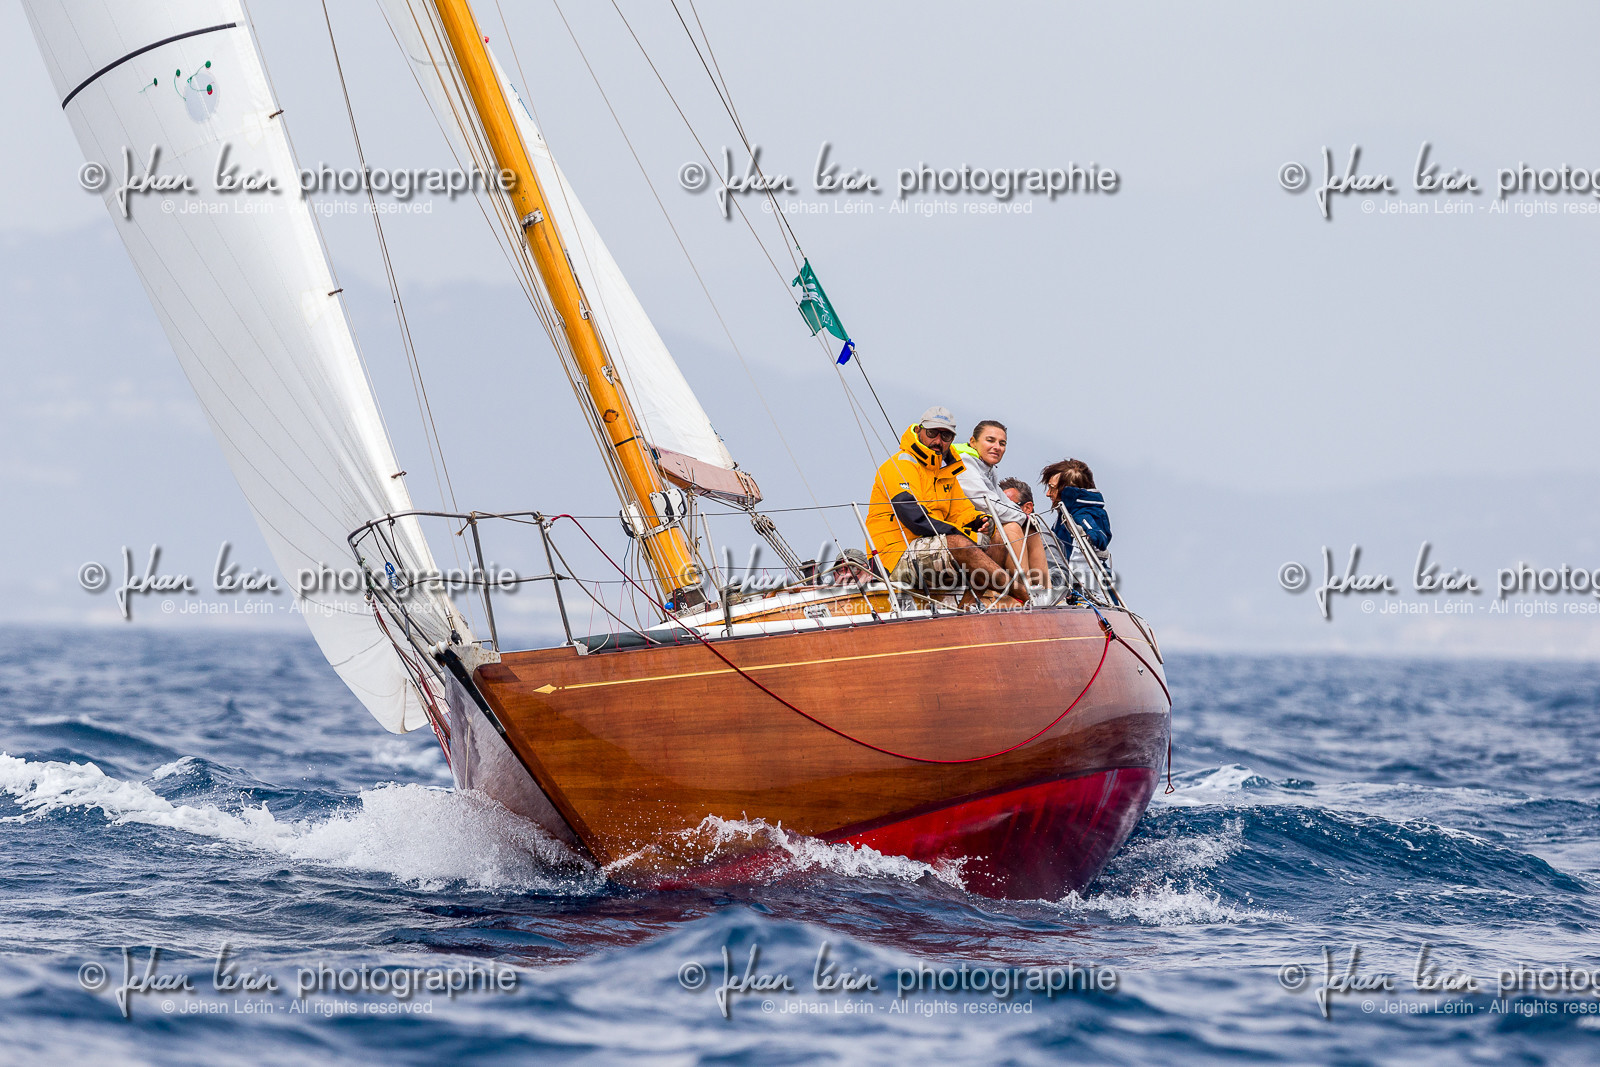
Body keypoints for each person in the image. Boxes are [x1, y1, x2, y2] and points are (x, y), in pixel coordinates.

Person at [866, 406, 1027, 604]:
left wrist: (980, 521)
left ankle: (968, 608)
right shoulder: (899, 465)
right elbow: (915, 518)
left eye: (946, 436)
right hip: (893, 556)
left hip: (930, 548)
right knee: (958, 543)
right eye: (932, 433)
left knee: (997, 537)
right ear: (919, 431)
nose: (938, 441)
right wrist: (960, 535)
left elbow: (962, 511)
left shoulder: (946, 471)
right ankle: (1026, 595)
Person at [952, 422, 1049, 593]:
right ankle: (1026, 592)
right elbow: (987, 504)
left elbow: (1003, 501)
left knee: (1031, 527)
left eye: (1002, 443)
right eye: (990, 440)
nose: (997, 447)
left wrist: (1027, 519)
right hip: (965, 527)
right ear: (973, 442)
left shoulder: (986, 468)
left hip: (984, 525)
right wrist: (1022, 517)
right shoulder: (964, 463)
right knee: (1013, 527)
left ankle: (1045, 590)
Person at [1039, 458, 1111, 564]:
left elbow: (1099, 539)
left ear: (1067, 492)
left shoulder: (1083, 515)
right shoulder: (1067, 513)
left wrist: (1089, 536)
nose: (1048, 493)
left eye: (1052, 488)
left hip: (1079, 578)